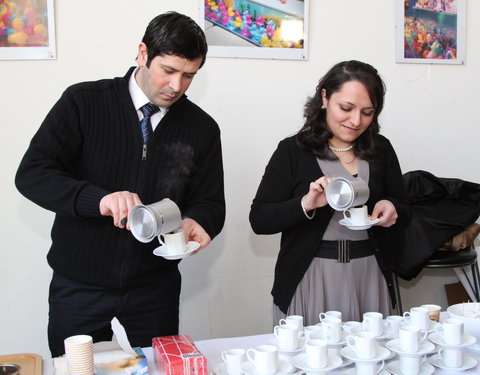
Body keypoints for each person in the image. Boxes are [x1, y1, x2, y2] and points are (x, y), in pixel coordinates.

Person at [15, 11, 225, 357]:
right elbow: (32, 174)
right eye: (168, 71)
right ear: (143, 53)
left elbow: (211, 203)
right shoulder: (83, 103)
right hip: (79, 285)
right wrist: (97, 200)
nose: (176, 86)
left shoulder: (201, 128)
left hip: (155, 288)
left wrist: (197, 222)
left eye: (189, 75)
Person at [249, 60, 410, 325]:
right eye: (346, 108)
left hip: (371, 276)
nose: (356, 121)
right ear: (324, 97)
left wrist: (393, 208)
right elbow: (260, 219)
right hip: (312, 277)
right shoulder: (293, 151)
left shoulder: (382, 149)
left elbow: (403, 206)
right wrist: (306, 204)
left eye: (367, 112)